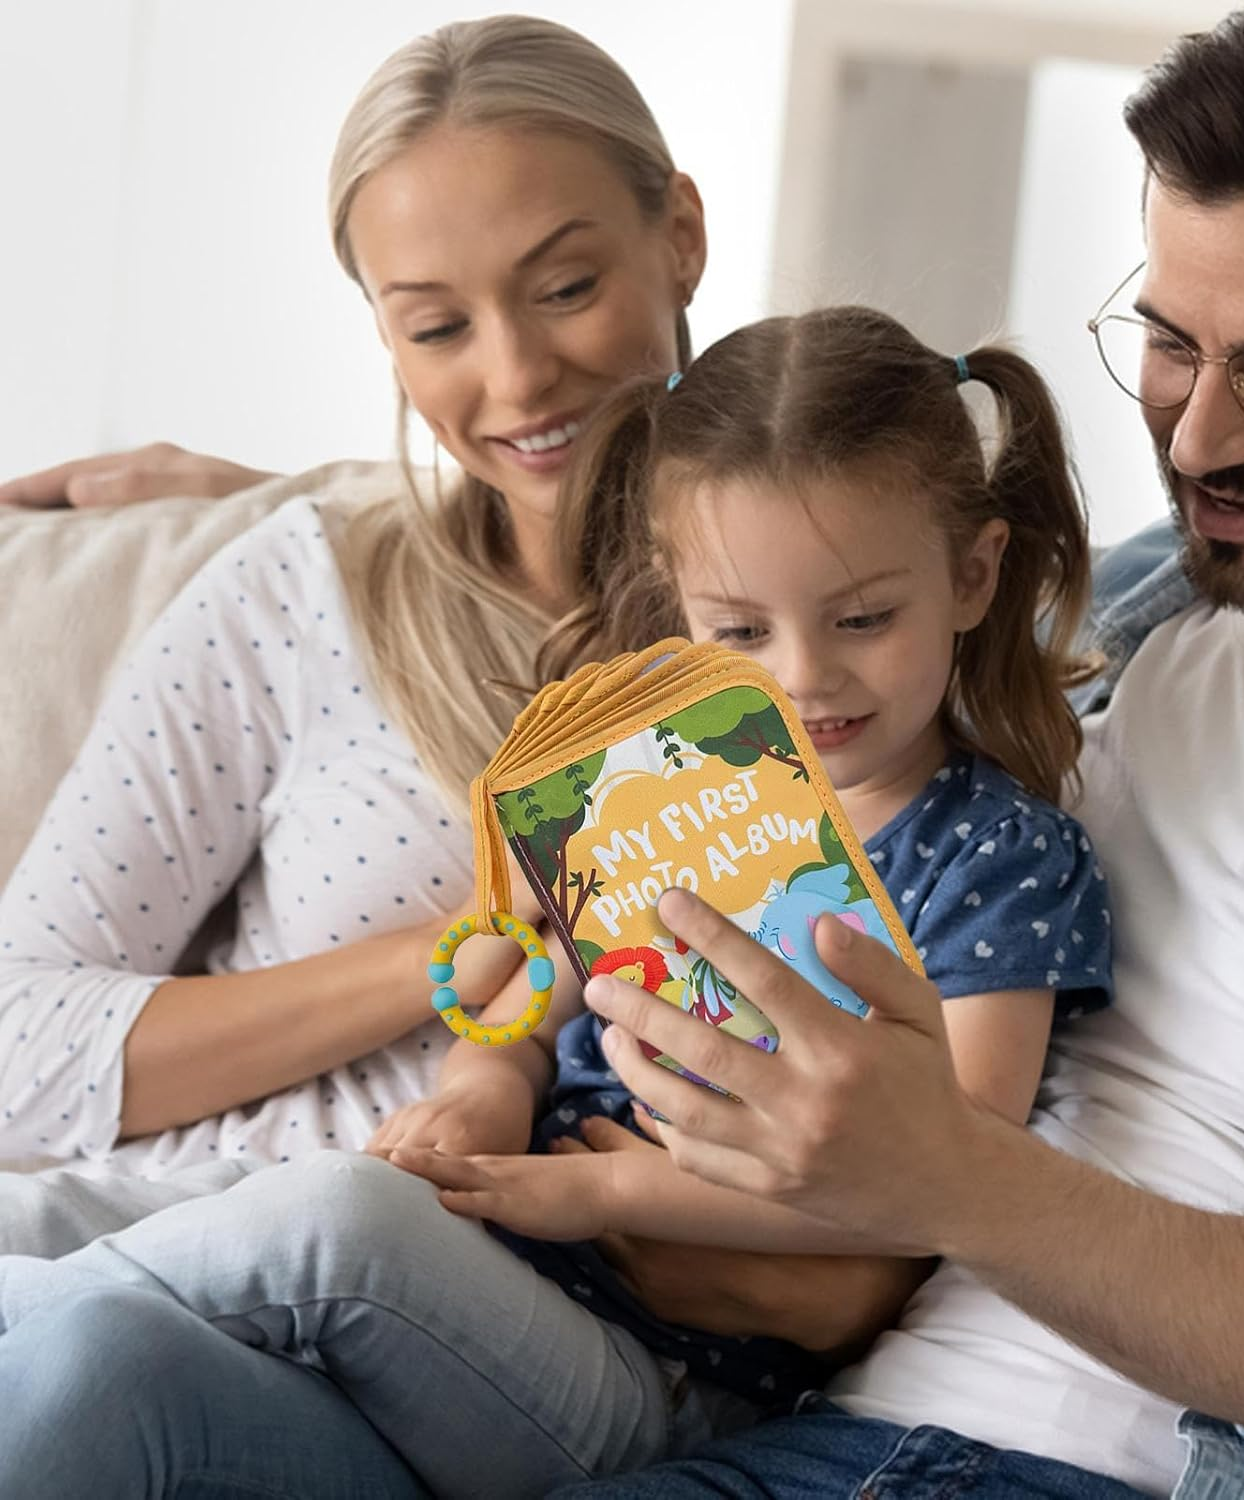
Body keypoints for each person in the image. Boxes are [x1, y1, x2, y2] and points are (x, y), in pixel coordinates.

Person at [544, 0, 1244, 1495]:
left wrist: (942, 1172)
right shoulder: (1117, 607)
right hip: (812, 1413)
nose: (1196, 440)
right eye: (1174, 344)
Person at [0, 304, 1117, 1498]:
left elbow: (952, 1179)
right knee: (145, 1243)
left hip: (659, 1374)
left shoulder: (996, 858)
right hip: (498, 1270)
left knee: (332, 1222)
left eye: (862, 619)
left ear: (973, 575)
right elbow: (540, 1008)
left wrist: (602, 1190)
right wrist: (484, 1089)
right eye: (740, 630)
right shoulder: (667, 793)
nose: (802, 675)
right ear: (680, 604)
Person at [0, 15, 708, 1247]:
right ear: (386, 335)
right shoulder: (304, 588)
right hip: (154, 1227)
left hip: (449, 1303)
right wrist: (459, 951)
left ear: (680, 238)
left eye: (566, 289)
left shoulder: (818, 634)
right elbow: (16, 1046)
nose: (518, 374)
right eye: (438, 327)